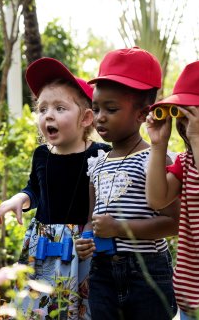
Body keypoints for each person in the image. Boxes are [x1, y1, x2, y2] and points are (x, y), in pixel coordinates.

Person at [0, 57, 109, 319]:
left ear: (86, 118)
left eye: (60, 108)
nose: (48, 115)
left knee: (81, 309)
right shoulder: (42, 155)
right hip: (42, 247)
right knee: (36, 308)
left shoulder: (100, 155)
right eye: (42, 108)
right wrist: (19, 199)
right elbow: (34, 190)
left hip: (83, 247)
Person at [75, 47, 178, 319]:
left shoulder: (155, 158)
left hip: (147, 272)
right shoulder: (96, 162)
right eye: (95, 108)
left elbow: (173, 222)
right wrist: (86, 238)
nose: (100, 118)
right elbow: (92, 217)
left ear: (142, 114)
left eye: (111, 109)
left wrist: (119, 228)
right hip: (102, 273)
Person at [145, 59, 199, 319]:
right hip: (190, 301)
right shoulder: (186, 161)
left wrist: (197, 137)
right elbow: (157, 199)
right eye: (178, 112)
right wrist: (158, 145)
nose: (183, 123)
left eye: (193, 112)